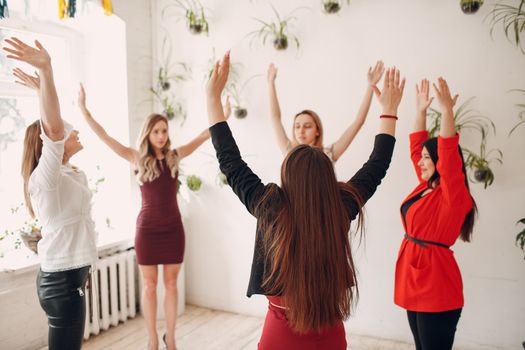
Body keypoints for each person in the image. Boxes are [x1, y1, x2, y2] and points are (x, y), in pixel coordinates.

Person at [206, 51, 404, 349]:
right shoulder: (341, 204)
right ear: (326, 176)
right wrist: (388, 112)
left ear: (287, 173)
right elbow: (377, 165)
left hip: (279, 333)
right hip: (330, 331)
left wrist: (212, 100)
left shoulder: (270, 204)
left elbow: (230, 161)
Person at [77, 85, 230, 350]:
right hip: (147, 232)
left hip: (173, 230)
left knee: (171, 286)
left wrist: (223, 115)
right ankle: (151, 338)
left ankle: (170, 338)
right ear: (148, 133)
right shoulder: (135, 158)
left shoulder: (174, 156)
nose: (161, 135)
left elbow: (204, 135)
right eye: (156, 131)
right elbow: (105, 137)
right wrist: (84, 110)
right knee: (150, 287)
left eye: (164, 131)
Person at [4, 38, 96, 349]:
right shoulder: (46, 179)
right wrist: (46, 71)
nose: (76, 131)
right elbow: (54, 130)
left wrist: (40, 91)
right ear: (49, 147)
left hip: (69, 276)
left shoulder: (65, 173)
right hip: (61, 281)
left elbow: (55, 126)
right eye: (69, 132)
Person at [394, 78, 478, 350]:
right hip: (415, 281)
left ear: (441, 163)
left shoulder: (453, 194)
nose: (420, 162)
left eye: (427, 159)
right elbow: (416, 148)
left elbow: (448, 154)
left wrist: (446, 112)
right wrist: (419, 111)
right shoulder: (426, 187)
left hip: (436, 287)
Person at [266, 61, 384, 161]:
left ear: (317, 130)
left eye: (307, 126)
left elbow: (359, 122)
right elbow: (275, 117)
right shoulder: (289, 152)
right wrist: (271, 83)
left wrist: (371, 86)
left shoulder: (327, 155)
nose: (301, 131)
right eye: (297, 126)